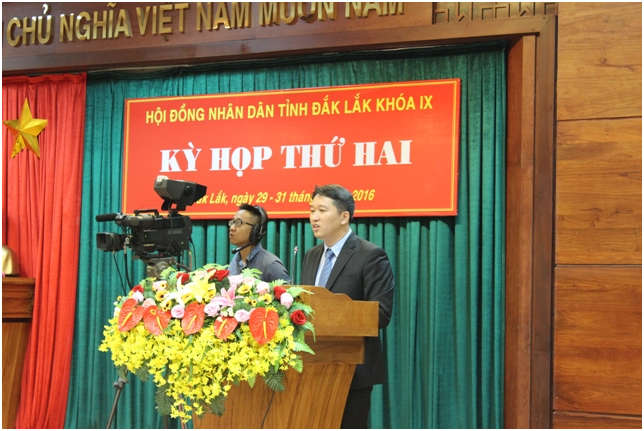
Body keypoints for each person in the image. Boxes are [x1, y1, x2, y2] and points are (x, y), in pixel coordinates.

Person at [301, 184, 395, 429]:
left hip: (352, 370)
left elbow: (380, 313)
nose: (314, 217)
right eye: (312, 210)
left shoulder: (371, 255)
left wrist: (332, 314)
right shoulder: (312, 255)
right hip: (312, 367)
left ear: (344, 217)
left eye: (322, 210)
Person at [228, 204, 291, 283]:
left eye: (238, 222)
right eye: (232, 222)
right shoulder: (234, 262)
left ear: (255, 230)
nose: (231, 228)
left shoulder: (271, 264)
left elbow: (288, 291)